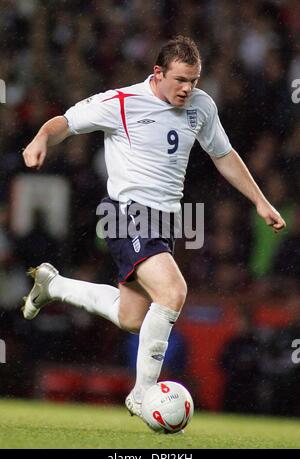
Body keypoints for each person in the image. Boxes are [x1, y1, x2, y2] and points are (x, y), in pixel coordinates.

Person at [22, 36, 286, 425]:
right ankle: (143, 394)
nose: (187, 89)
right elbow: (65, 122)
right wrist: (41, 137)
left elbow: (223, 154)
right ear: (158, 73)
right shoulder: (122, 103)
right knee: (174, 291)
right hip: (125, 213)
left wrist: (260, 200)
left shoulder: (201, 106)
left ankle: (53, 285)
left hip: (164, 222)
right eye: (180, 79)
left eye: (194, 81)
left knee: (132, 317)